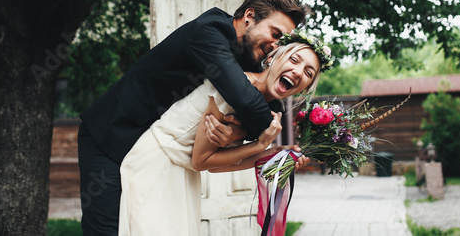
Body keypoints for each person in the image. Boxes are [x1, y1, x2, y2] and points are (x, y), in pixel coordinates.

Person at [78, 0, 307, 235]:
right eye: (275, 33)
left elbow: (265, 100)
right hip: (111, 134)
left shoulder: (246, 55)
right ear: (249, 16)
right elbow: (244, 97)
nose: (276, 45)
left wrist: (243, 132)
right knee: (107, 230)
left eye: (282, 41)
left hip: (165, 159)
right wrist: (261, 131)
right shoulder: (208, 33)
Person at [118, 34, 332, 235]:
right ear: (272, 57)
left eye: (308, 73)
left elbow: (216, 165)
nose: (297, 72)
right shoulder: (236, 88)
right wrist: (259, 145)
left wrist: (276, 152)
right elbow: (202, 161)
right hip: (157, 163)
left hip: (184, 172)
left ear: (305, 88)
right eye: (294, 60)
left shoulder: (261, 111)